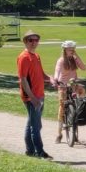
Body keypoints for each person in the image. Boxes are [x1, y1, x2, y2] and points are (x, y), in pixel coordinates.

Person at [17, 29, 53, 159]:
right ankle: (40, 152)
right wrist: (33, 98)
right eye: (30, 40)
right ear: (25, 42)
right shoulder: (24, 57)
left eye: (36, 40)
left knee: (32, 123)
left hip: (40, 94)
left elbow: (42, 74)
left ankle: (30, 150)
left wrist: (51, 79)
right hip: (32, 97)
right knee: (36, 126)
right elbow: (23, 80)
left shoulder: (36, 56)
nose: (34, 43)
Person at [52, 40, 86, 143]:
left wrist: (77, 56)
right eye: (69, 49)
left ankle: (75, 129)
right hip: (63, 86)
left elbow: (84, 68)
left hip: (73, 85)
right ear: (65, 50)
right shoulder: (61, 60)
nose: (71, 51)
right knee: (62, 107)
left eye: (73, 49)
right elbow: (57, 72)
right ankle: (59, 133)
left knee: (82, 95)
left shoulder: (74, 59)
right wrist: (57, 80)